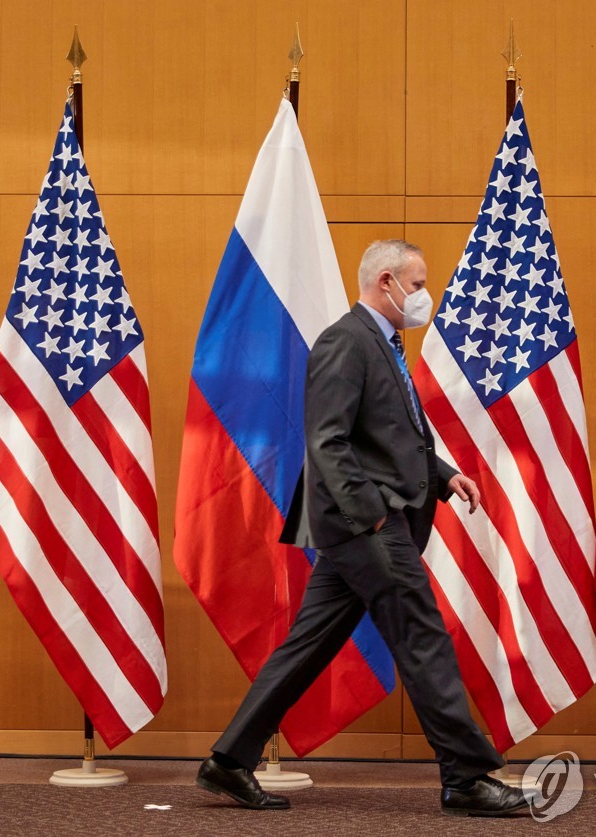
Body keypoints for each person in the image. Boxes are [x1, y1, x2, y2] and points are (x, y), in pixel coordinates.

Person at [195, 240, 528, 817]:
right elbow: (327, 440)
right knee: (422, 638)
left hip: (361, 524)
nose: (426, 296)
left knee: (307, 646)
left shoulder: (384, 343)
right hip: (365, 526)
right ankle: (467, 777)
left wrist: (444, 476)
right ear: (384, 282)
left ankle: (228, 762)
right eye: (418, 284)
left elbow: (395, 435)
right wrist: (370, 514)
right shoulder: (345, 342)